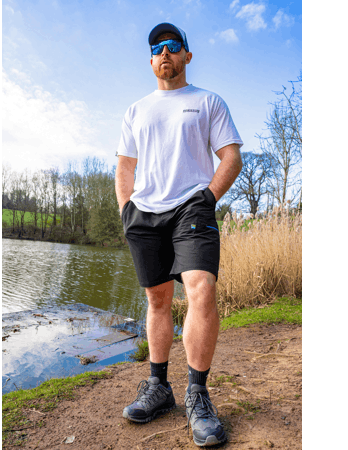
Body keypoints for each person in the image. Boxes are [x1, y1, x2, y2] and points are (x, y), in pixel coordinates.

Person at [115, 22, 243, 447]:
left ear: (187, 55)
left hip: (192, 207)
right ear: (151, 61)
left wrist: (208, 197)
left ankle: (197, 394)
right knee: (157, 299)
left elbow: (231, 157)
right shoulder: (136, 110)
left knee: (201, 289)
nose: (165, 52)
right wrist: (126, 208)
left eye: (173, 45)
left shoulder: (208, 102)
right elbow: (125, 165)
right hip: (144, 213)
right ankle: (158, 387)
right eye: (157, 48)